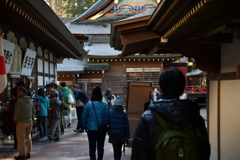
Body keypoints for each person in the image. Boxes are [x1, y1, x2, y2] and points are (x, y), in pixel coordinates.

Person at [131, 68, 210, 160]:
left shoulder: (148, 117)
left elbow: (139, 153)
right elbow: (204, 151)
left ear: (160, 89)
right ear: (182, 90)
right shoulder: (195, 117)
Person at [82, 86, 109, 160]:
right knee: (100, 147)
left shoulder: (88, 105)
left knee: (92, 147)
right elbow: (107, 117)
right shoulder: (105, 105)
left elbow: (84, 117)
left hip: (91, 128)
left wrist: (85, 126)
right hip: (102, 129)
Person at [104, 96, 130, 160]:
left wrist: (108, 130)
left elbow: (105, 122)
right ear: (121, 105)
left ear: (114, 104)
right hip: (121, 134)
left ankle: (116, 158)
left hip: (113, 134)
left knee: (115, 149)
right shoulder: (123, 114)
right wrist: (127, 136)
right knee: (120, 148)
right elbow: (126, 126)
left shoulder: (110, 113)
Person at [14, 87, 35, 160]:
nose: (17, 94)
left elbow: (17, 113)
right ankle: (28, 153)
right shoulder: (31, 101)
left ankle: (22, 154)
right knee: (28, 138)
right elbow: (33, 111)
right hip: (29, 121)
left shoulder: (19, 101)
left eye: (18, 92)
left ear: (22, 93)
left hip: (21, 122)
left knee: (21, 139)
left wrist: (15, 119)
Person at [7, 87, 18, 152]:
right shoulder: (19, 101)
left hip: (14, 120)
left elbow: (10, 112)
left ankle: (16, 146)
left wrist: (8, 110)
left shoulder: (14, 102)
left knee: (15, 133)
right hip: (20, 120)